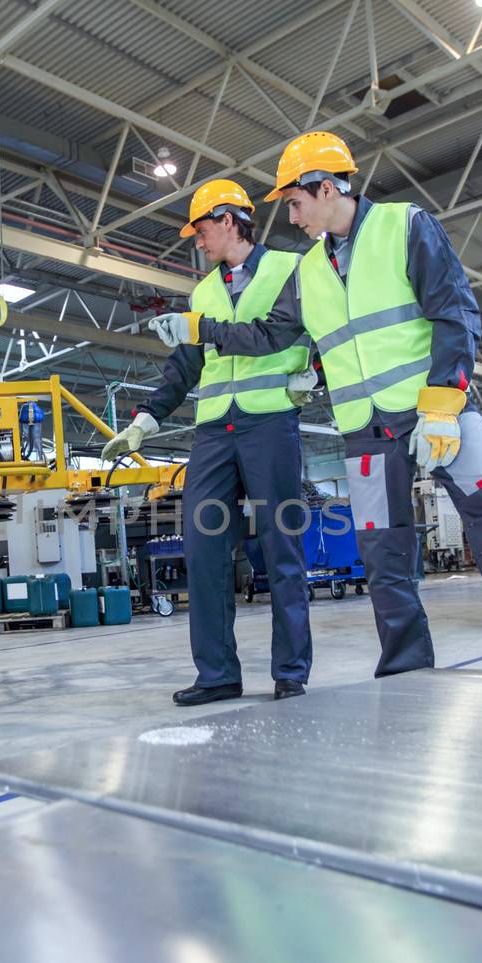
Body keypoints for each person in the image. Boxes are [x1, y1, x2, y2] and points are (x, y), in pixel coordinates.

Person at [257, 130, 482, 676]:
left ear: (322, 188)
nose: (291, 217)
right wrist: (207, 330)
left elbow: (454, 314)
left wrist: (441, 406)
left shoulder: (404, 225)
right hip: (364, 430)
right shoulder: (308, 270)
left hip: (441, 411)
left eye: (294, 202)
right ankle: (407, 668)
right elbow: (283, 335)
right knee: (382, 556)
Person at [102, 179, 315, 704]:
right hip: (215, 431)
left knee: (280, 545)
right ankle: (217, 674)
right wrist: (146, 421)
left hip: (270, 422)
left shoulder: (291, 270)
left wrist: (319, 375)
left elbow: (284, 335)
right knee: (203, 548)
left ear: (226, 220)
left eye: (200, 230)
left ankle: (290, 671)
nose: (196, 242)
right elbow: (185, 367)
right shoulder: (203, 292)